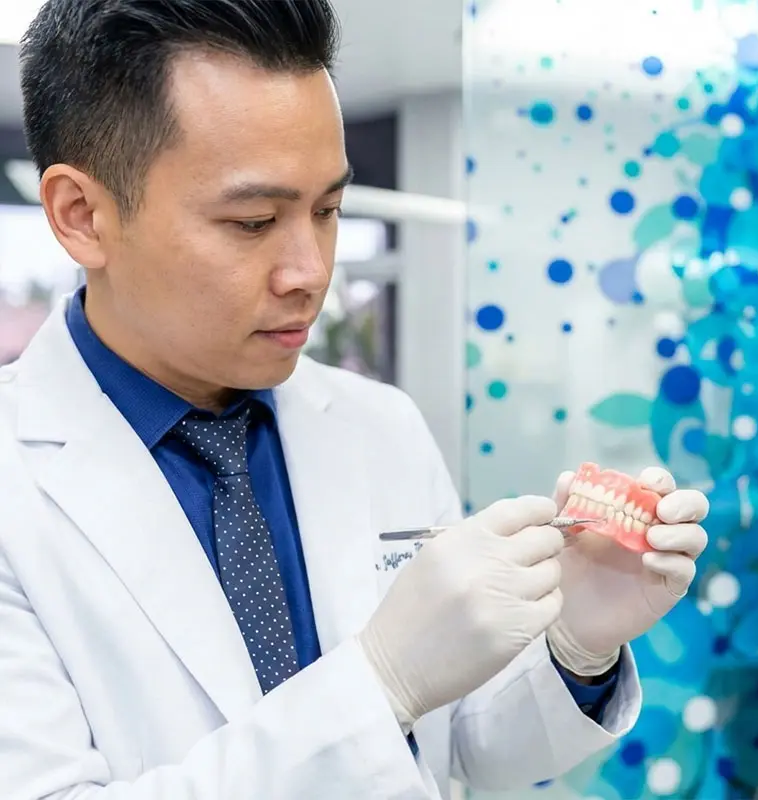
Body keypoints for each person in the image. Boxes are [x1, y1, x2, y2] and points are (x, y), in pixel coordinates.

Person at [0, 1, 710, 798]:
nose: (309, 269)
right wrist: (379, 682)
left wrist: (574, 647)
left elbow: (454, 756)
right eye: (253, 221)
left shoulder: (382, 428)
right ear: (80, 215)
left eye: (330, 210)